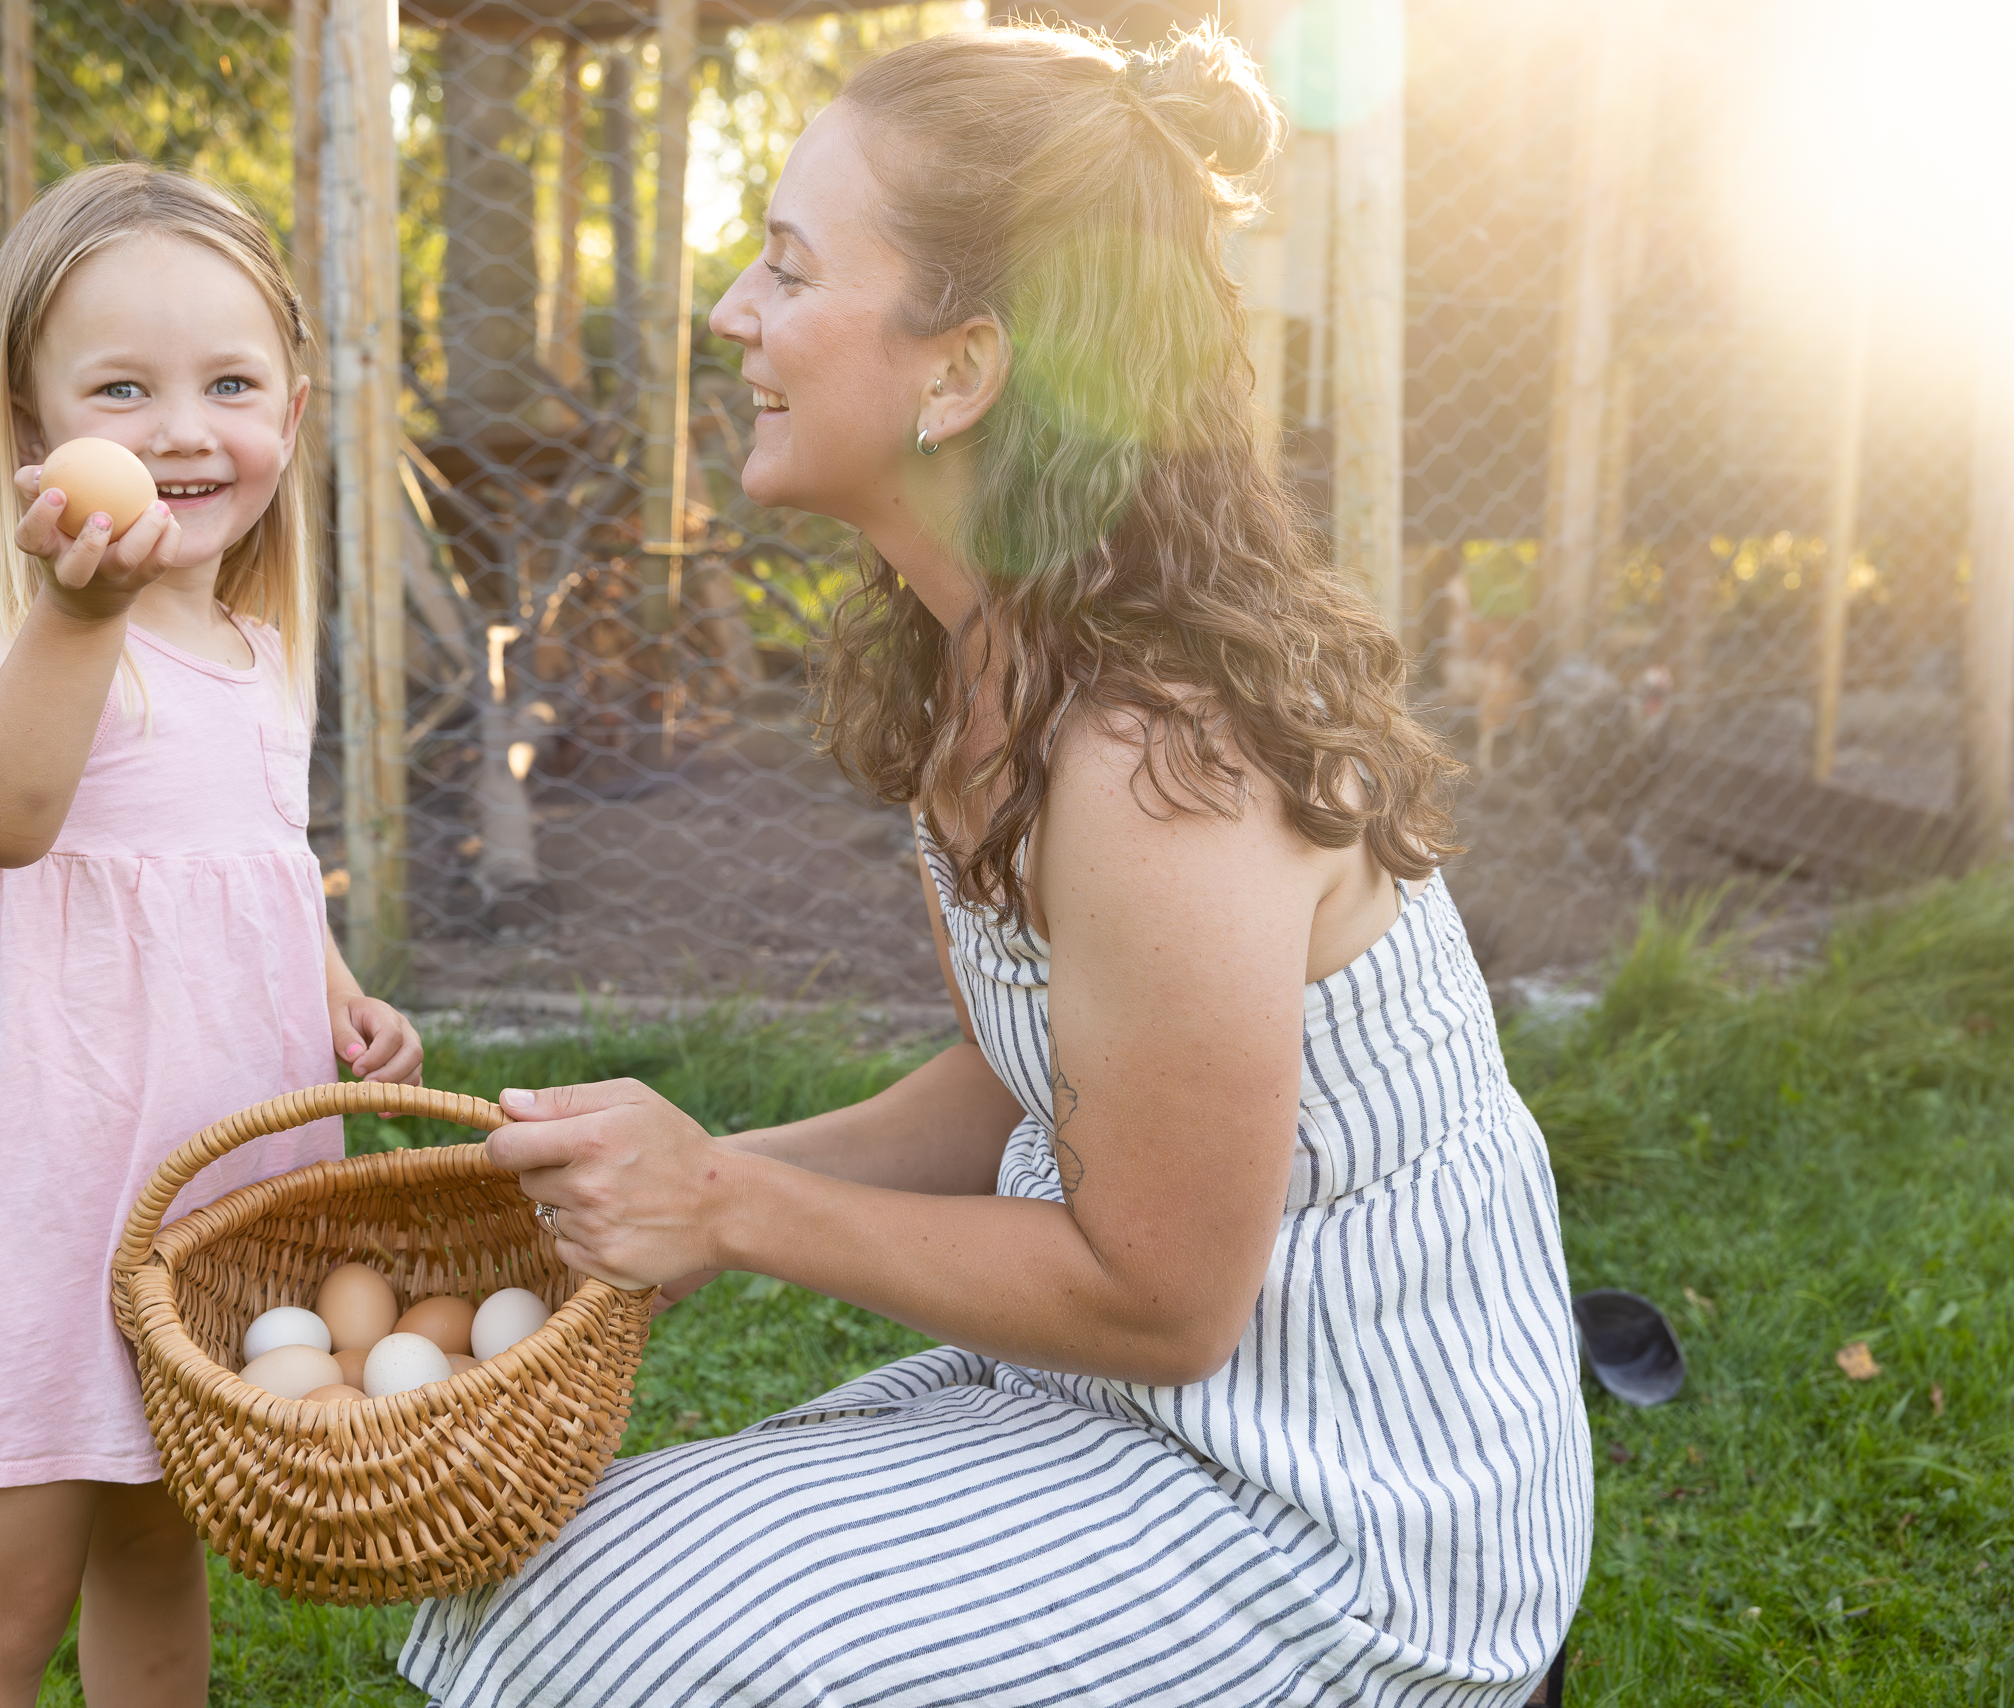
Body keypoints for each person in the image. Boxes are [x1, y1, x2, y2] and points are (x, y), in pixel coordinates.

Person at [405, 23, 1590, 1707]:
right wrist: (657, 1188)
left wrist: (729, 1206)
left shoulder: (1153, 754)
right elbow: (1008, 1080)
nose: (734, 312)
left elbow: (1164, 1299)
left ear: (960, 373)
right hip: (1144, 1408)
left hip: (1337, 1511)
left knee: (665, 1652)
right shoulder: (975, 652)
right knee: (577, 1588)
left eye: (789, 268)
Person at [0, 163, 424, 1707]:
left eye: (230, 384)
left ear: (295, 416)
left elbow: (249, 860)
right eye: (123, 389)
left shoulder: (259, 651)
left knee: (160, 1554)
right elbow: (2, 817)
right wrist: (72, 617)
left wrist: (333, 988)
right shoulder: (36, 639)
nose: (185, 430)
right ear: (30, 431)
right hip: (47, 1202)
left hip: (210, 1204)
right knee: (8, 1599)